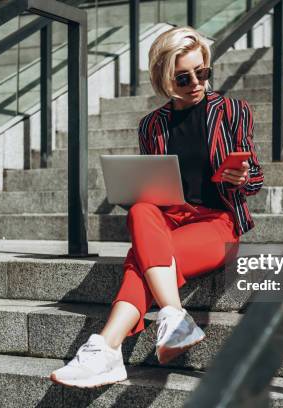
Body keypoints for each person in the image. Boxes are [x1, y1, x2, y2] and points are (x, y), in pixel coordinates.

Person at [50, 25, 264, 388]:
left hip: (217, 224)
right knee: (140, 210)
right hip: (169, 222)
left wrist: (243, 178)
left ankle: (107, 347)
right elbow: (154, 184)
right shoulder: (152, 126)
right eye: (183, 77)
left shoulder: (231, 111)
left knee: (141, 262)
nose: (196, 82)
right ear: (165, 79)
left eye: (203, 72)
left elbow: (255, 176)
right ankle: (173, 315)